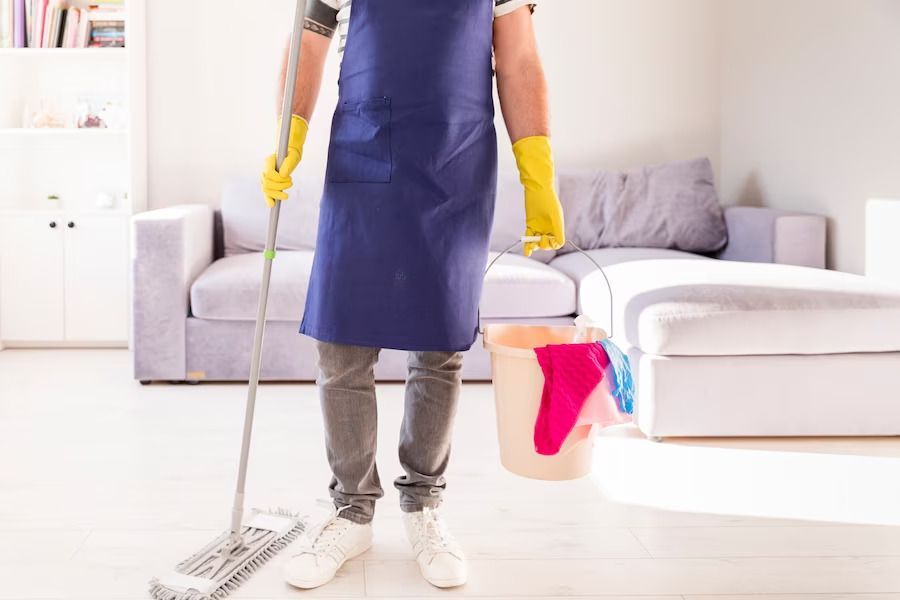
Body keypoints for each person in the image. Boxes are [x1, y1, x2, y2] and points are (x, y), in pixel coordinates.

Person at [260, 0, 565, 590]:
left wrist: (538, 170)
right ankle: (351, 510)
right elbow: (306, 44)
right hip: (364, 150)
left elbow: (520, 59)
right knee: (341, 342)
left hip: (456, 161)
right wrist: (288, 135)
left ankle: (423, 505)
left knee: (439, 345)